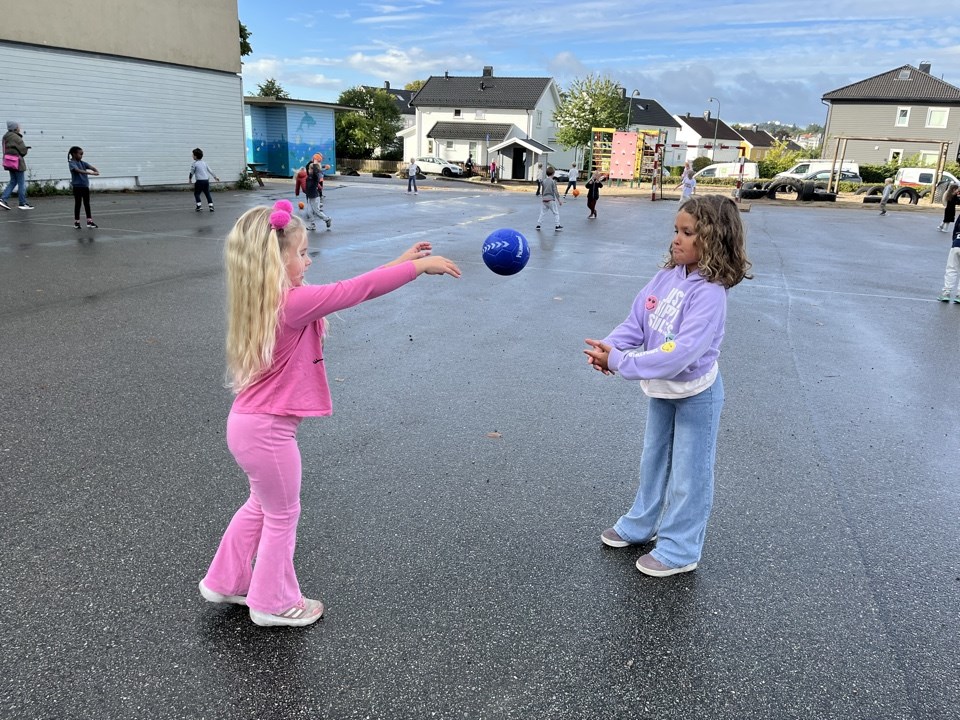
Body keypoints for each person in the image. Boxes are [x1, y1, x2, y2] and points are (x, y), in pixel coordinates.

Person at [199, 200, 461, 627]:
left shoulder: (268, 301)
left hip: (247, 426)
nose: (308, 260)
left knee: (261, 506)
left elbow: (350, 288)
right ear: (275, 261)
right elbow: (357, 290)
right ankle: (272, 602)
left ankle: (225, 581)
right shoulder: (292, 304)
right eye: (301, 253)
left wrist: (401, 262)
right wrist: (418, 267)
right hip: (267, 433)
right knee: (282, 515)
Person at [584, 194, 752, 577]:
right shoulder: (667, 277)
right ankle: (641, 524)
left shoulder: (710, 293)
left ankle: (680, 549)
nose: (676, 239)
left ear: (713, 238)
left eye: (687, 232)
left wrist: (621, 362)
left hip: (697, 394)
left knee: (690, 475)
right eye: (676, 230)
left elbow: (681, 354)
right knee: (654, 459)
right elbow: (637, 323)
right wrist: (608, 347)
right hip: (662, 389)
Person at [0, 120, 33, 210]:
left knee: (13, 181)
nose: (19, 128)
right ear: (14, 128)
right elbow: (23, 151)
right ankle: (23, 203)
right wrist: (26, 149)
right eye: (18, 127)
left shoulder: (5, 136)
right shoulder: (16, 138)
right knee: (21, 183)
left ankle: (3, 199)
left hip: (9, 162)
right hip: (17, 162)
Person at [67, 146, 100, 228]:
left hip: (85, 186)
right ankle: (77, 222)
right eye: (80, 154)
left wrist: (95, 170)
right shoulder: (72, 163)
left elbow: (91, 167)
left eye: (82, 154)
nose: (81, 156)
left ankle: (89, 221)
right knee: (78, 204)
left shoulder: (82, 163)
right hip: (77, 187)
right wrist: (91, 173)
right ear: (74, 154)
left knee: (87, 204)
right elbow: (78, 170)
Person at [303, 155, 332, 231]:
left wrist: (315, 163)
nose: (308, 170)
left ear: (313, 170)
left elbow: (316, 170)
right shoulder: (309, 176)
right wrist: (312, 160)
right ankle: (312, 225)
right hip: (310, 196)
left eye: (310, 169)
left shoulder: (315, 176)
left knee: (317, 212)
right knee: (309, 212)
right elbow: (307, 166)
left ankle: (327, 219)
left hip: (315, 197)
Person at [189, 148, 220, 212]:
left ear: (195, 156)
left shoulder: (194, 164)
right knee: (207, 193)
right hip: (206, 181)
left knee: (197, 193)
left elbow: (192, 172)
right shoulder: (204, 163)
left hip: (199, 181)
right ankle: (211, 206)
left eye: (193, 155)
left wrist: (190, 179)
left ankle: (199, 206)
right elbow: (210, 170)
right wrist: (215, 177)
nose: (192, 156)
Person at [937, 218, 960, 303]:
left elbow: (956, 228)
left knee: (951, 269)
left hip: (957, 243)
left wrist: (954, 241)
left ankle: (946, 292)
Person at [536, 166, 563, 232]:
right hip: (551, 200)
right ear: (553, 173)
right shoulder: (553, 182)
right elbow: (555, 191)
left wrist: (543, 197)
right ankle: (557, 225)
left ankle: (538, 225)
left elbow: (543, 190)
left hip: (544, 200)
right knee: (556, 213)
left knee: (542, 213)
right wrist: (559, 200)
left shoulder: (544, 181)